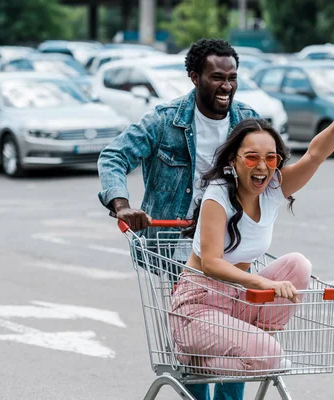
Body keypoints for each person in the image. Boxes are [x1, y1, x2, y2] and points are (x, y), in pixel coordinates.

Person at [97, 38, 259, 400]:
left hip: (231, 244)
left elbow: (271, 168)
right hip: (177, 249)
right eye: (217, 77)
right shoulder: (165, 121)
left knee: (237, 337)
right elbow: (114, 157)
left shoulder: (247, 123)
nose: (226, 86)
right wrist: (122, 206)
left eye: (232, 77)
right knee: (200, 343)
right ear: (194, 77)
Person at [171, 95, 334, 377]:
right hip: (198, 307)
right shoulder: (217, 195)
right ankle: (203, 358)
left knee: (298, 265)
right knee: (268, 357)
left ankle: (261, 345)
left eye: (271, 158)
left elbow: (315, 155)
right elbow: (211, 263)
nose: (262, 166)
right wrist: (261, 281)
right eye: (252, 157)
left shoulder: (273, 188)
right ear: (234, 160)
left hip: (237, 303)